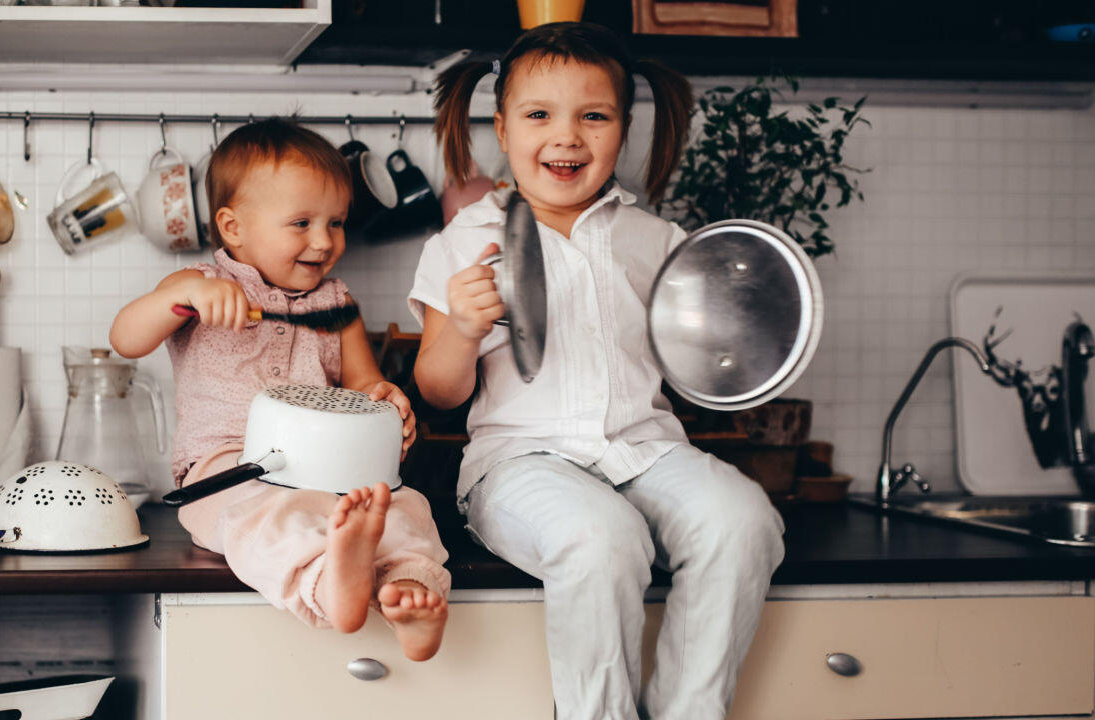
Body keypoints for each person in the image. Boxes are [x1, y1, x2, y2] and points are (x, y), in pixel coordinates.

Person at [408, 22, 785, 717]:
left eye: (594, 115)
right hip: (520, 465)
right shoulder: (465, 242)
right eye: (540, 115)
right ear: (503, 126)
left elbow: (702, 357)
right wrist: (462, 329)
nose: (567, 136)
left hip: (645, 451)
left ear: (624, 127)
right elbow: (437, 390)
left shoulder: (658, 241)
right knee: (601, 536)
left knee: (743, 521)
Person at [111, 118, 450, 662]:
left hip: (333, 474)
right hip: (227, 472)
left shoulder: (337, 306)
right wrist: (188, 298)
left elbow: (363, 384)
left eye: (336, 222)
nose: (325, 241)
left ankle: (409, 593)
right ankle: (328, 582)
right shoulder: (199, 286)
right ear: (233, 227)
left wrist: (386, 400)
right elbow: (125, 338)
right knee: (265, 517)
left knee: (403, 505)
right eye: (302, 223)